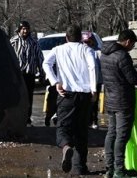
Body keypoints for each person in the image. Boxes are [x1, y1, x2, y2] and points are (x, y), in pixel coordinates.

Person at [42, 25, 100, 176]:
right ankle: (80, 167)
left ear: (66, 37)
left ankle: (66, 146)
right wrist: (94, 89)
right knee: (82, 130)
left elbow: (46, 64)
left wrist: (55, 82)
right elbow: (92, 67)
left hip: (66, 94)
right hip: (84, 94)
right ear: (81, 37)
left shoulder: (58, 50)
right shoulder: (87, 50)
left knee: (63, 126)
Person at [101, 29, 137, 178]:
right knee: (122, 136)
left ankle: (109, 169)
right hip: (123, 102)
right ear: (128, 41)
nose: (132, 48)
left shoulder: (105, 54)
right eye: (133, 44)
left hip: (110, 100)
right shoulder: (122, 56)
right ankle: (119, 170)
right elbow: (132, 78)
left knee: (111, 134)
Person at [10, 21, 42, 123]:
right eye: (23, 28)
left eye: (27, 28)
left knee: (29, 96)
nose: (25, 31)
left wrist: (42, 72)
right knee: (17, 96)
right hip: (18, 74)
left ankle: (27, 117)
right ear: (19, 30)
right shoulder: (13, 41)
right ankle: (16, 117)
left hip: (30, 73)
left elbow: (39, 57)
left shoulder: (34, 42)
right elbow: (8, 57)